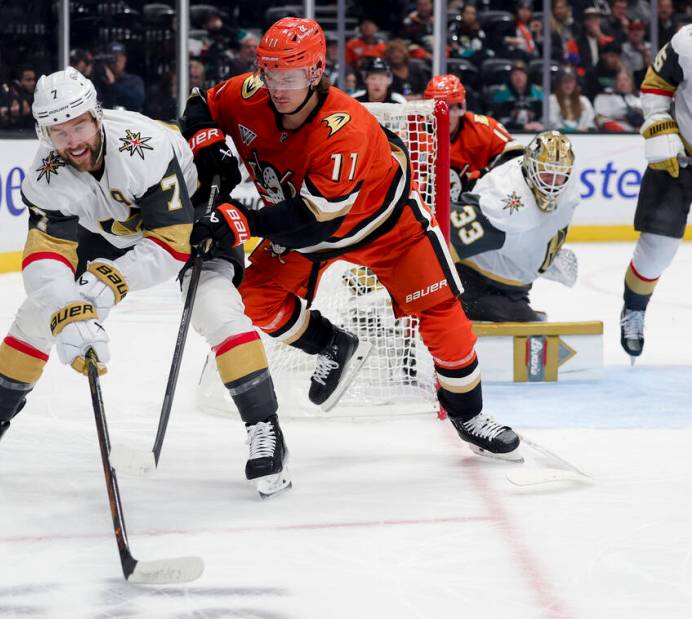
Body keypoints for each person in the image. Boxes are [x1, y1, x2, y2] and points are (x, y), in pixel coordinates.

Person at [0, 67, 290, 496]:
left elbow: (171, 242)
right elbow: (45, 256)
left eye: (79, 125)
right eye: (58, 132)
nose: (73, 141)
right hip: (109, 235)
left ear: (97, 116)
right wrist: (69, 313)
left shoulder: (145, 148)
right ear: (43, 133)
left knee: (215, 308)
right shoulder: (46, 175)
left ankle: (264, 429)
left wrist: (105, 285)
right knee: (37, 314)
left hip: (190, 227)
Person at [180, 17, 522, 461]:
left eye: (290, 75)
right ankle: (331, 344)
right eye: (270, 72)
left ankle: (468, 415)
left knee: (445, 320)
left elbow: (313, 220)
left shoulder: (344, 128)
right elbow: (197, 103)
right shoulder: (250, 92)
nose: (277, 86)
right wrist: (207, 144)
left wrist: (241, 221)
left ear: (316, 72)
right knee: (253, 300)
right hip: (308, 223)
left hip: (383, 226)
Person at [450, 132, 580, 323]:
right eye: (545, 173)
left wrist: (541, 259)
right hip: (475, 282)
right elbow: (449, 239)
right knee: (532, 333)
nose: (552, 185)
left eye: (558, 176)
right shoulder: (504, 204)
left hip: (515, 286)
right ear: (530, 165)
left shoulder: (570, 188)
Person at [619, 24, 692, 362]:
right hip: (681, 158)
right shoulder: (686, 42)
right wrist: (660, 124)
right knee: (657, 247)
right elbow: (656, 84)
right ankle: (634, 309)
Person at [424, 74, 522, 202]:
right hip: (427, 211)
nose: (444, 116)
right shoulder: (412, 135)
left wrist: (485, 175)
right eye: (437, 109)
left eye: (450, 108)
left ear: (461, 107)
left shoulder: (484, 129)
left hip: (477, 208)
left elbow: (516, 157)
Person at [491, 60, 545, 132]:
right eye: (515, 74)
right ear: (510, 77)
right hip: (510, 133)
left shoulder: (538, 93)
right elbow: (500, 121)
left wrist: (539, 124)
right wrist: (523, 127)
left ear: (527, 76)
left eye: (522, 74)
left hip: (535, 132)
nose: (518, 77)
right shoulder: (502, 94)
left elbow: (545, 117)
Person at [93, 42, 145, 112]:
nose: (117, 62)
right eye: (113, 59)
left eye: (120, 58)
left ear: (125, 59)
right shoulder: (100, 81)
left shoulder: (134, 80)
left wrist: (113, 85)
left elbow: (137, 103)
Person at [594, 66, 643, 132]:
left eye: (626, 80)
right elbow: (600, 119)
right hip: (614, 135)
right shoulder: (604, 96)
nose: (623, 83)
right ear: (615, 82)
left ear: (632, 82)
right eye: (619, 80)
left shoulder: (640, 97)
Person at [550, 67, 595, 132]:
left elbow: (589, 123)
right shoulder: (552, 100)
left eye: (571, 81)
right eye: (565, 81)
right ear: (558, 83)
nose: (569, 85)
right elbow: (552, 123)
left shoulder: (584, 101)